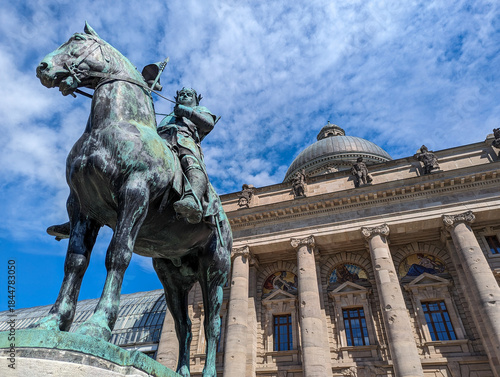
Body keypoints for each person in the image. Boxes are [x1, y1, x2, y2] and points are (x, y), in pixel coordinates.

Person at [157, 87, 217, 224]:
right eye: (181, 94)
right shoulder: (169, 116)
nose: (184, 96)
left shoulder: (200, 110)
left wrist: (187, 112)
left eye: (189, 95)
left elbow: (209, 124)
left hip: (183, 139)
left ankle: (192, 198)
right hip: (161, 140)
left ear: (196, 100)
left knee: (189, 161)